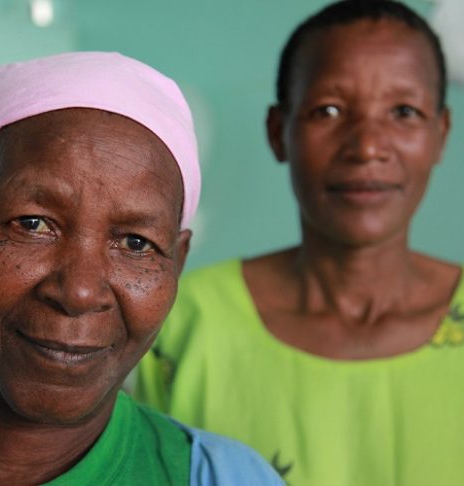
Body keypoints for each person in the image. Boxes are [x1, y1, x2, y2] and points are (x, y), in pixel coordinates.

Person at [135, 1, 464, 485]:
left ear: (440, 134)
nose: (368, 146)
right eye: (328, 110)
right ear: (278, 132)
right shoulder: (178, 323)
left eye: (404, 111)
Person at [0, 52, 283, 485]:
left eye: (136, 243)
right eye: (34, 223)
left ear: (177, 262)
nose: (79, 292)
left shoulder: (225, 478)